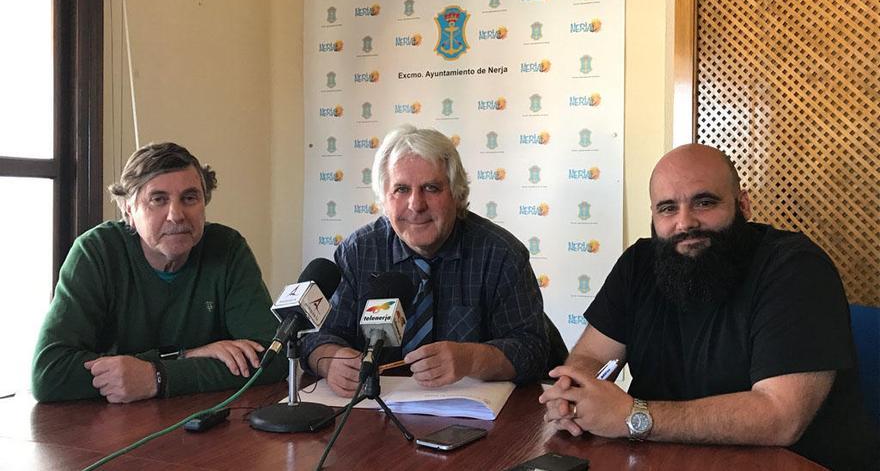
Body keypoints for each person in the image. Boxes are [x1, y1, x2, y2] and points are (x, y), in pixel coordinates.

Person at [540, 144, 879, 470]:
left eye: (704, 202)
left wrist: (633, 415)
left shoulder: (795, 267)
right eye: (668, 208)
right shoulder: (638, 264)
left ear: (743, 205)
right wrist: (574, 393)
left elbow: (780, 417)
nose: (685, 222)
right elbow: (594, 356)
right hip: (664, 459)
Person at [301, 125, 549, 397]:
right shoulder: (359, 251)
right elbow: (317, 338)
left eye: (431, 188)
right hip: (374, 412)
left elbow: (534, 350)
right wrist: (330, 360)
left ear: (457, 195)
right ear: (384, 198)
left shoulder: (500, 254)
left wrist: (471, 359)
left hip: (470, 419)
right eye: (401, 189)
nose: (416, 205)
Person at [32, 142, 286, 403]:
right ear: (128, 210)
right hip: (109, 429)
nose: (176, 215)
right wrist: (185, 357)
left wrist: (157, 376)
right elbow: (49, 373)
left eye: (189, 198)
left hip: (205, 425)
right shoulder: (97, 252)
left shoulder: (227, 249)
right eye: (158, 200)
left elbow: (274, 359)